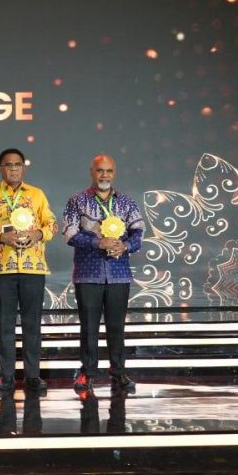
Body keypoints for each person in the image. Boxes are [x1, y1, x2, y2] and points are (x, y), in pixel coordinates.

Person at [0, 148, 57, 395]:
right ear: (0, 168)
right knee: (5, 325)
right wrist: (2, 237)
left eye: (17, 164)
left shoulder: (37, 194)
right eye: (8, 165)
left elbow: (52, 224)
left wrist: (38, 234)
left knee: (32, 324)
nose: (13, 168)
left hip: (33, 269)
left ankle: (33, 376)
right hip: (3, 269)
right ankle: (7, 376)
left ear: (23, 167)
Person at [62, 154, 144, 393]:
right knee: (89, 327)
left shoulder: (127, 202)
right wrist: (97, 242)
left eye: (109, 171)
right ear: (92, 172)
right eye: (100, 170)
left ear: (114, 173)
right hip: (88, 273)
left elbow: (138, 232)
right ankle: (87, 373)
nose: (104, 175)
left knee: (116, 327)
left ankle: (118, 372)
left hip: (119, 273)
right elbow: (69, 233)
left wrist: (124, 246)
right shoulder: (77, 201)